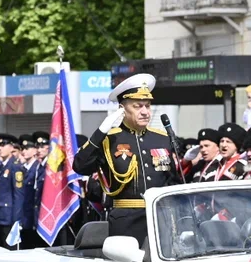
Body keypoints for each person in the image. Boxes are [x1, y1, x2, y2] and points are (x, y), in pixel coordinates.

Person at [74, 73, 184, 245]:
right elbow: (80, 166)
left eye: (147, 106)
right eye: (137, 106)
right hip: (126, 222)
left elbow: (174, 181)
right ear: (122, 109)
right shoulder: (109, 139)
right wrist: (101, 132)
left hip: (160, 219)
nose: (145, 112)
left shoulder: (162, 138)